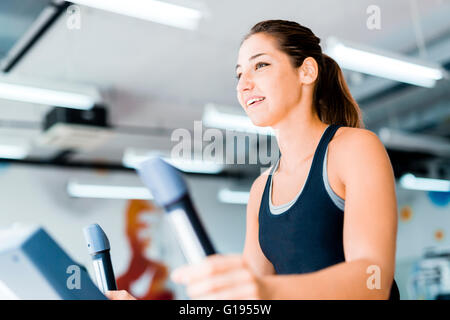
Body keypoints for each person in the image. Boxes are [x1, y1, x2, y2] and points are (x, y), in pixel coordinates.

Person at [107, 19, 399, 300]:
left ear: (307, 72)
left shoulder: (354, 149)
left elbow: (372, 282)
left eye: (260, 65)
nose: (243, 85)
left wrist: (266, 291)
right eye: (238, 74)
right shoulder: (261, 190)